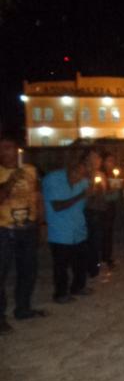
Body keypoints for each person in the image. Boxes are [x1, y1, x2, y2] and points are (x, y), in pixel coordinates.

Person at [0, 135, 46, 334]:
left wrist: (42, 223)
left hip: (28, 228)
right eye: (1, 148)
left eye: (8, 147)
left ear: (17, 150)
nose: (4, 151)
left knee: (28, 270)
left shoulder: (30, 170)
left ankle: (23, 308)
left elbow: (38, 196)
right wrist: (11, 180)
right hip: (5, 230)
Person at [42, 155, 92, 303]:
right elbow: (57, 206)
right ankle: (60, 294)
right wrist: (81, 195)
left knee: (80, 262)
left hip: (78, 228)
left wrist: (95, 191)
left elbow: (87, 201)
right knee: (61, 265)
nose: (79, 178)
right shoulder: (53, 179)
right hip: (60, 230)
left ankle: (78, 287)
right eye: (77, 173)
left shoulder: (83, 181)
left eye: (82, 175)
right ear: (69, 168)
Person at [83, 149, 107, 278]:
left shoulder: (101, 175)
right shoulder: (83, 175)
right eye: (94, 157)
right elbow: (85, 195)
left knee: (97, 240)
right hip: (89, 211)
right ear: (87, 159)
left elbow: (103, 194)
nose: (98, 160)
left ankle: (95, 266)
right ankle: (89, 268)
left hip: (100, 210)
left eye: (99, 158)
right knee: (89, 240)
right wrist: (93, 189)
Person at [101, 153, 121, 270]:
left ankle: (108, 256)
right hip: (103, 207)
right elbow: (102, 194)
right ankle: (104, 258)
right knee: (104, 233)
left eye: (113, 161)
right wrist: (112, 190)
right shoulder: (102, 175)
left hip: (111, 206)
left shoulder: (113, 174)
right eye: (109, 161)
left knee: (109, 233)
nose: (111, 163)